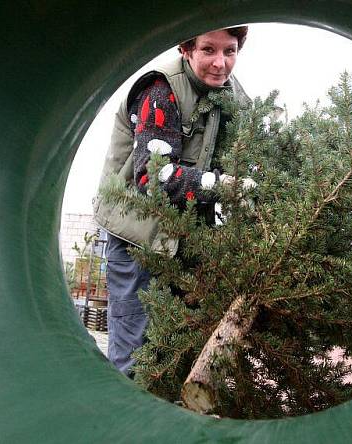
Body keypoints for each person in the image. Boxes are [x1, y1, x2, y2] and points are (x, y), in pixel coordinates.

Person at [93, 26, 251, 376]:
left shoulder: (235, 99)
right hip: (137, 237)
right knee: (137, 356)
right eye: (209, 49)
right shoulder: (160, 89)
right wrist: (221, 185)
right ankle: (128, 422)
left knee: (177, 352)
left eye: (230, 51)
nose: (220, 63)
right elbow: (155, 177)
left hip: (185, 238)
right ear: (187, 48)